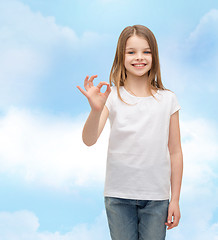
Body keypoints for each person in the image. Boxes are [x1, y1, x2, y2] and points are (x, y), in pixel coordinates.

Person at [77, 24, 183, 240]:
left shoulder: (168, 99)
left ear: (154, 56)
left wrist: (175, 199)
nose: (139, 58)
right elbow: (89, 140)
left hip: (156, 197)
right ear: (121, 56)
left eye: (146, 51)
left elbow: (175, 152)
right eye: (131, 52)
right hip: (118, 196)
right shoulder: (112, 97)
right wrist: (96, 110)